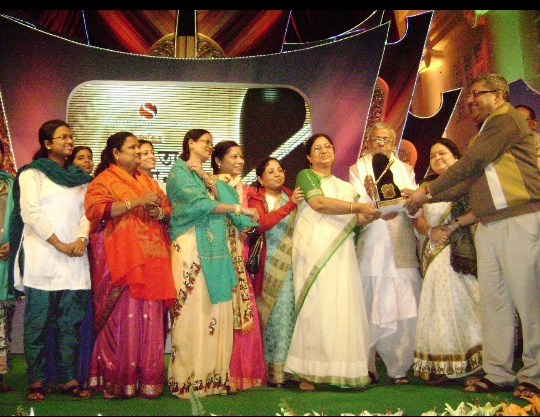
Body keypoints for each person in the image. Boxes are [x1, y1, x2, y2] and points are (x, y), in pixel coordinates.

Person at [404, 73, 540, 398]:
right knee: (493, 303)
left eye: (477, 94)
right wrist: (422, 197)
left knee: (529, 302)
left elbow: (470, 164)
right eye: (469, 95)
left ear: (498, 94)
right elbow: (467, 182)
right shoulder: (486, 132)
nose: (470, 101)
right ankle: (497, 373)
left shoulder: (505, 119)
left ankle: (534, 377)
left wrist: (425, 190)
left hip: (518, 217)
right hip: (489, 224)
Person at [166, 129, 259, 399]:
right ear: (190, 143)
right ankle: (187, 380)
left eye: (210, 142)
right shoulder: (178, 172)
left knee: (214, 311)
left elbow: (227, 198)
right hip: (190, 245)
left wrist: (207, 178)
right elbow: (198, 205)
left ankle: (212, 379)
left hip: (215, 250)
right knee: (192, 310)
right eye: (204, 142)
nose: (209, 146)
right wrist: (240, 209)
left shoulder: (204, 176)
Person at [284, 133, 379, 391]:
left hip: (341, 252)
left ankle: (343, 370)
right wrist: (358, 208)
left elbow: (356, 220)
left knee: (342, 305)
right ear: (308, 156)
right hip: (313, 250)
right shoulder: (307, 176)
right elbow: (319, 203)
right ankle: (309, 373)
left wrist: (375, 211)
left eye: (328, 146)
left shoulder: (345, 188)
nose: (324, 151)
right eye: (317, 148)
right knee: (316, 306)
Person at [84, 131, 176, 399]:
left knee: (149, 317)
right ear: (116, 153)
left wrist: (159, 213)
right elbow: (95, 210)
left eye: (138, 147)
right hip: (121, 259)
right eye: (132, 147)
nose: (137, 151)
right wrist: (136, 202)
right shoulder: (104, 180)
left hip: (153, 259)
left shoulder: (148, 181)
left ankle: (146, 379)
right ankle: (117, 378)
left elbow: (168, 210)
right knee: (124, 317)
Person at [8, 119, 93, 401]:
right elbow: (30, 213)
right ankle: (37, 379)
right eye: (62, 137)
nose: (69, 141)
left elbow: (87, 214)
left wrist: (80, 240)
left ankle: (69, 378)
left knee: (70, 321)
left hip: (75, 259)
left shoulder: (80, 177)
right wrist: (59, 244)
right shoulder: (32, 174)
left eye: (71, 137)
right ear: (47, 144)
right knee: (38, 322)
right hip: (42, 257)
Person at [348, 122, 422, 385]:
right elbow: (357, 202)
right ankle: (367, 365)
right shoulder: (357, 169)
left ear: (394, 142)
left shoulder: (405, 170)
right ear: (368, 142)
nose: (380, 144)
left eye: (385, 140)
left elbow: (414, 203)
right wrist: (374, 202)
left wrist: (405, 204)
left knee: (404, 303)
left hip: (399, 238)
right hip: (373, 236)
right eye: (376, 139)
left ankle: (399, 367)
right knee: (368, 299)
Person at [411, 138, 483, 386]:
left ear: (456, 157)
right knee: (437, 306)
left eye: (442, 153)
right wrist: (431, 231)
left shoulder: (469, 182)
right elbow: (417, 219)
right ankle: (442, 364)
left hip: (461, 252)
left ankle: (474, 366)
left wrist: (451, 227)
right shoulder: (425, 187)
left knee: (465, 304)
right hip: (434, 253)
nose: (437, 158)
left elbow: (478, 210)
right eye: (432, 156)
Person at [211, 140, 266, 391]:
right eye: (233, 157)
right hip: (219, 254)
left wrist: (246, 228)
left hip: (239, 253)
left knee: (243, 308)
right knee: (222, 309)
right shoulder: (212, 184)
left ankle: (242, 373)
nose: (240, 161)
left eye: (241, 156)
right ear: (218, 161)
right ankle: (221, 372)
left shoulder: (244, 187)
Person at [43, 145, 96, 393]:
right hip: (53, 255)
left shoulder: (93, 185)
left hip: (85, 257)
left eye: (89, 158)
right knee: (52, 318)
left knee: (77, 319)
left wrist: (82, 239)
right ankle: (52, 376)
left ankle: (78, 374)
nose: (86, 162)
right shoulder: (56, 184)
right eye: (80, 158)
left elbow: (88, 217)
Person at [246, 157, 303, 387]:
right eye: (271, 172)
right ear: (260, 178)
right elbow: (261, 223)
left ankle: (287, 370)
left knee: (288, 315)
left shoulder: (292, 195)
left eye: (280, 170)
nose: (277, 174)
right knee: (269, 318)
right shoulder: (256, 198)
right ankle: (269, 371)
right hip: (266, 266)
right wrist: (289, 206)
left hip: (292, 263)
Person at [0, 142, 16, 393]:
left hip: (4, 258)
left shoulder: (11, 184)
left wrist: (13, 242)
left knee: (2, 320)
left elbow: (21, 218)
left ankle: (0, 376)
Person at [515, 104, 540, 169]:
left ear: (534, 124)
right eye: (513, 120)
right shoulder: (504, 147)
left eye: (522, 120)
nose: (516, 124)